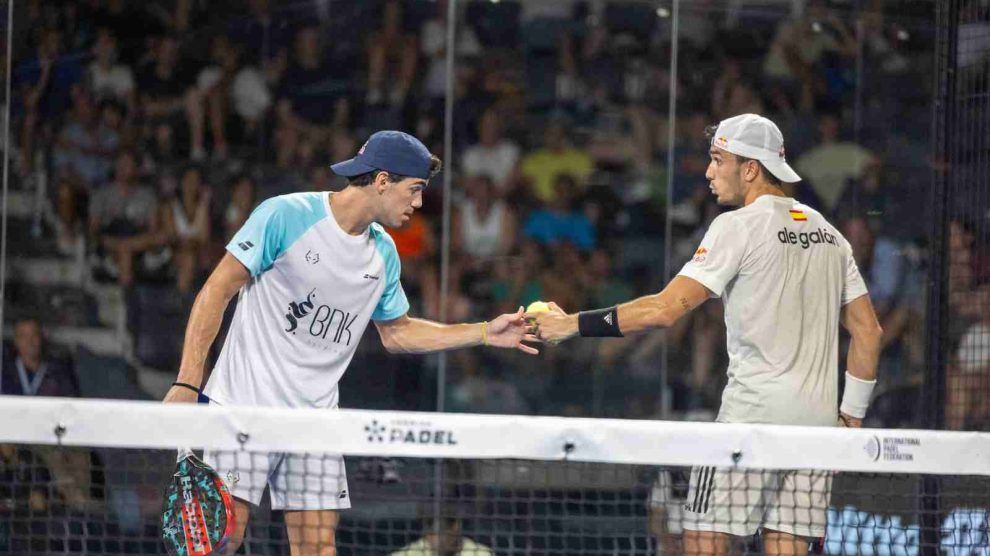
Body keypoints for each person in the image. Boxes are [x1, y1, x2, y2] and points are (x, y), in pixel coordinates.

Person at [163, 130, 538, 556]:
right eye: (414, 190)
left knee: (320, 549)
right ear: (382, 181)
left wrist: (486, 331)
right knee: (222, 541)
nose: (417, 203)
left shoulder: (384, 254)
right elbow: (216, 291)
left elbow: (398, 332)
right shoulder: (286, 215)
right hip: (240, 409)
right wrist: (187, 384)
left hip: (315, 425)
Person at [528, 114, 883, 555]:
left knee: (701, 539)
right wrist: (850, 417)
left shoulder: (736, 226)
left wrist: (571, 324)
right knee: (786, 544)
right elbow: (868, 332)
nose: (709, 171)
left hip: (748, 424)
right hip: (815, 428)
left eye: (718, 160)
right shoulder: (830, 236)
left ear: (750, 168)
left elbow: (663, 310)